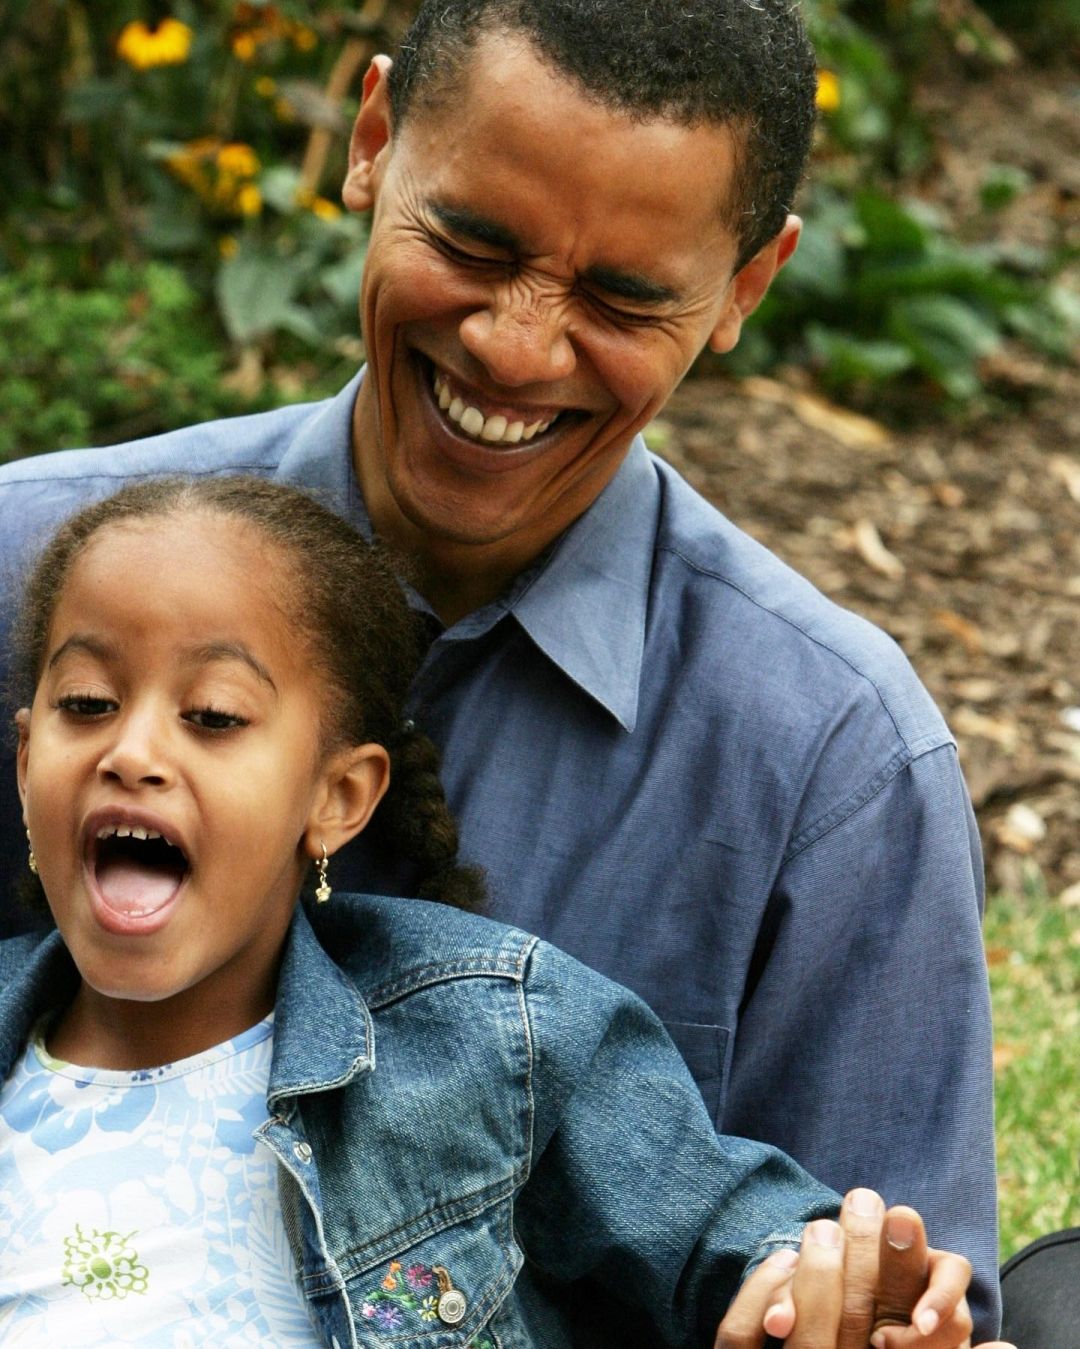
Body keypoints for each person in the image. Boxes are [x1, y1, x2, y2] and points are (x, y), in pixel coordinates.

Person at [0, 1, 1003, 1340]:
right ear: (371, 143)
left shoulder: (831, 761)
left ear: (745, 290)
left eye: (624, 297)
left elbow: (874, 1280)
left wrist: (840, 1301)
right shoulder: (30, 574)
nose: (517, 349)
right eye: (471, 245)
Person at [0, 475, 981, 1348]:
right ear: (24, 755)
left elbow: (718, 1226)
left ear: (336, 798)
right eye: (86, 702)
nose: (130, 750)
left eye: (212, 715)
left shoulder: (488, 1033)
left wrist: (828, 1285)